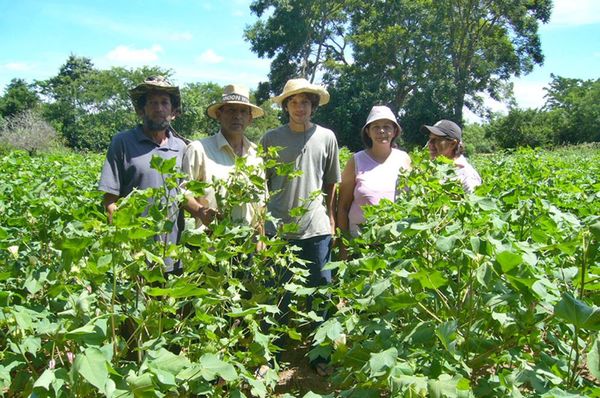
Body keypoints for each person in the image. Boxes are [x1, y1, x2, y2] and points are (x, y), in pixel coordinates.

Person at [261, 77, 340, 375]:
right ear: (285, 106)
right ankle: (275, 353)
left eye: (305, 102)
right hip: (279, 229)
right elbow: (262, 184)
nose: (299, 107)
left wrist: (330, 218)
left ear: (313, 106)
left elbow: (331, 182)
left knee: (322, 289)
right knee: (279, 294)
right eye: (293, 102)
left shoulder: (326, 137)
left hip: (317, 227)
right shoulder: (270, 138)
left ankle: (320, 354)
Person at [98, 76, 195, 273]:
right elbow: (110, 202)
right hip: (136, 256)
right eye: (152, 103)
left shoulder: (182, 148)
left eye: (164, 103)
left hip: (173, 255)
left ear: (173, 112)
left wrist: (203, 211)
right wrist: (128, 247)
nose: (159, 108)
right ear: (141, 110)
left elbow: (185, 196)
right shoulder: (123, 143)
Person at [182, 84, 265, 229]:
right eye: (231, 110)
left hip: (247, 245)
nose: (237, 116)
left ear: (250, 118)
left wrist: (260, 236)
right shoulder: (199, 149)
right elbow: (182, 193)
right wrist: (201, 213)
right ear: (219, 115)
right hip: (211, 244)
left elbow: (262, 201)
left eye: (243, 111)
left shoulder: (256, 154)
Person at [337, 105, 411, 245]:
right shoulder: (356, 161)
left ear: (395, 131)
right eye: (375, 127)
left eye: (387, 126)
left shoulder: (404, 159)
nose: (381, 131)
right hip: (361, 244)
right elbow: (343, 206)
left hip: (397, 244)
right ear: (368, 132)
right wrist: (343, 246)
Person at [420, 119, 482, 193]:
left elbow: (474, 203)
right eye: (430, 139)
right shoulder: (431, 169)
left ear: (453, 144)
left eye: (436, 140)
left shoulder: (467, 175)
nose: (430, 144)